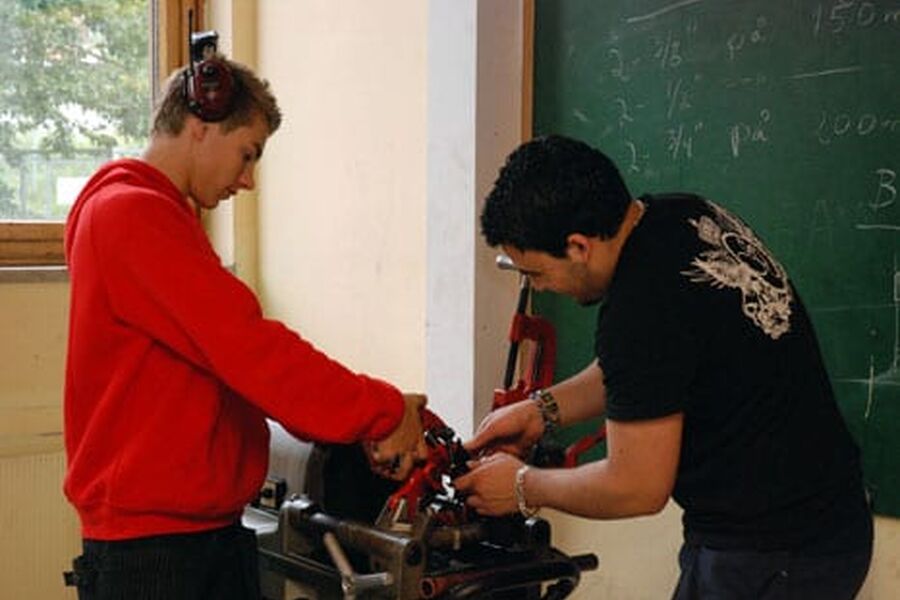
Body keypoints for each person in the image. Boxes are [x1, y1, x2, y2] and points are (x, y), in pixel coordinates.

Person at [62, 55, 427, 600]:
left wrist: (359, 419)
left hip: (200, 535)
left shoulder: (161, 219)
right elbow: (252, 351)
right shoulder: (129, 215)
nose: (249, 179)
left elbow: (236, 363)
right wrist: (383, 410)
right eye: (247, 154)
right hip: (157, 554)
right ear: (200, 126)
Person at [454, 135, 873, 599]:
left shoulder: (641, 307)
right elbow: (644, 371)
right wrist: (541, 411)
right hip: (826, 521)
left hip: (774, 551)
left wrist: (520, 487)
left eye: (535, 272)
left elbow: (636, 487)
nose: (543, 288)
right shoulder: (680, 216)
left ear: (577, 246)